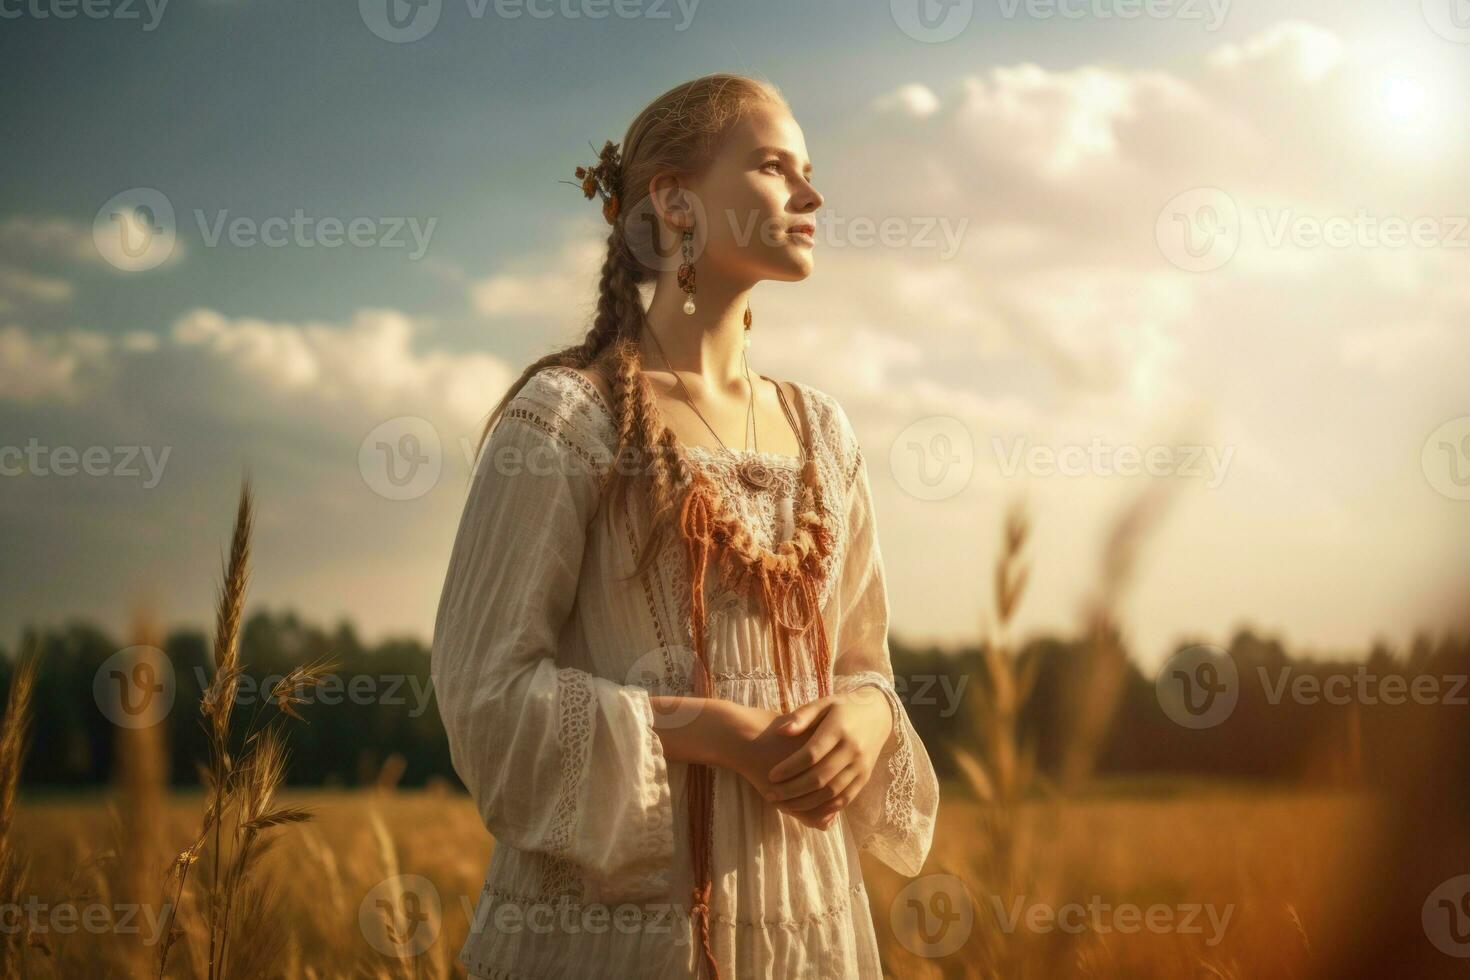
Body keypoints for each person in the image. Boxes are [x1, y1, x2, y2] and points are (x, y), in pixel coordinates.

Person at [431, 72, 939, 980]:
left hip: (802, 921)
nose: (812, 195)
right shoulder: (565, 420)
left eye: (809, 170)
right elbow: (484, 698)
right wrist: (713, 732)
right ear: (674, 200)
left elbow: (864, 666)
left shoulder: (824, 432)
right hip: (616, 934)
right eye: (775, 167)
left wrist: (864, 722)